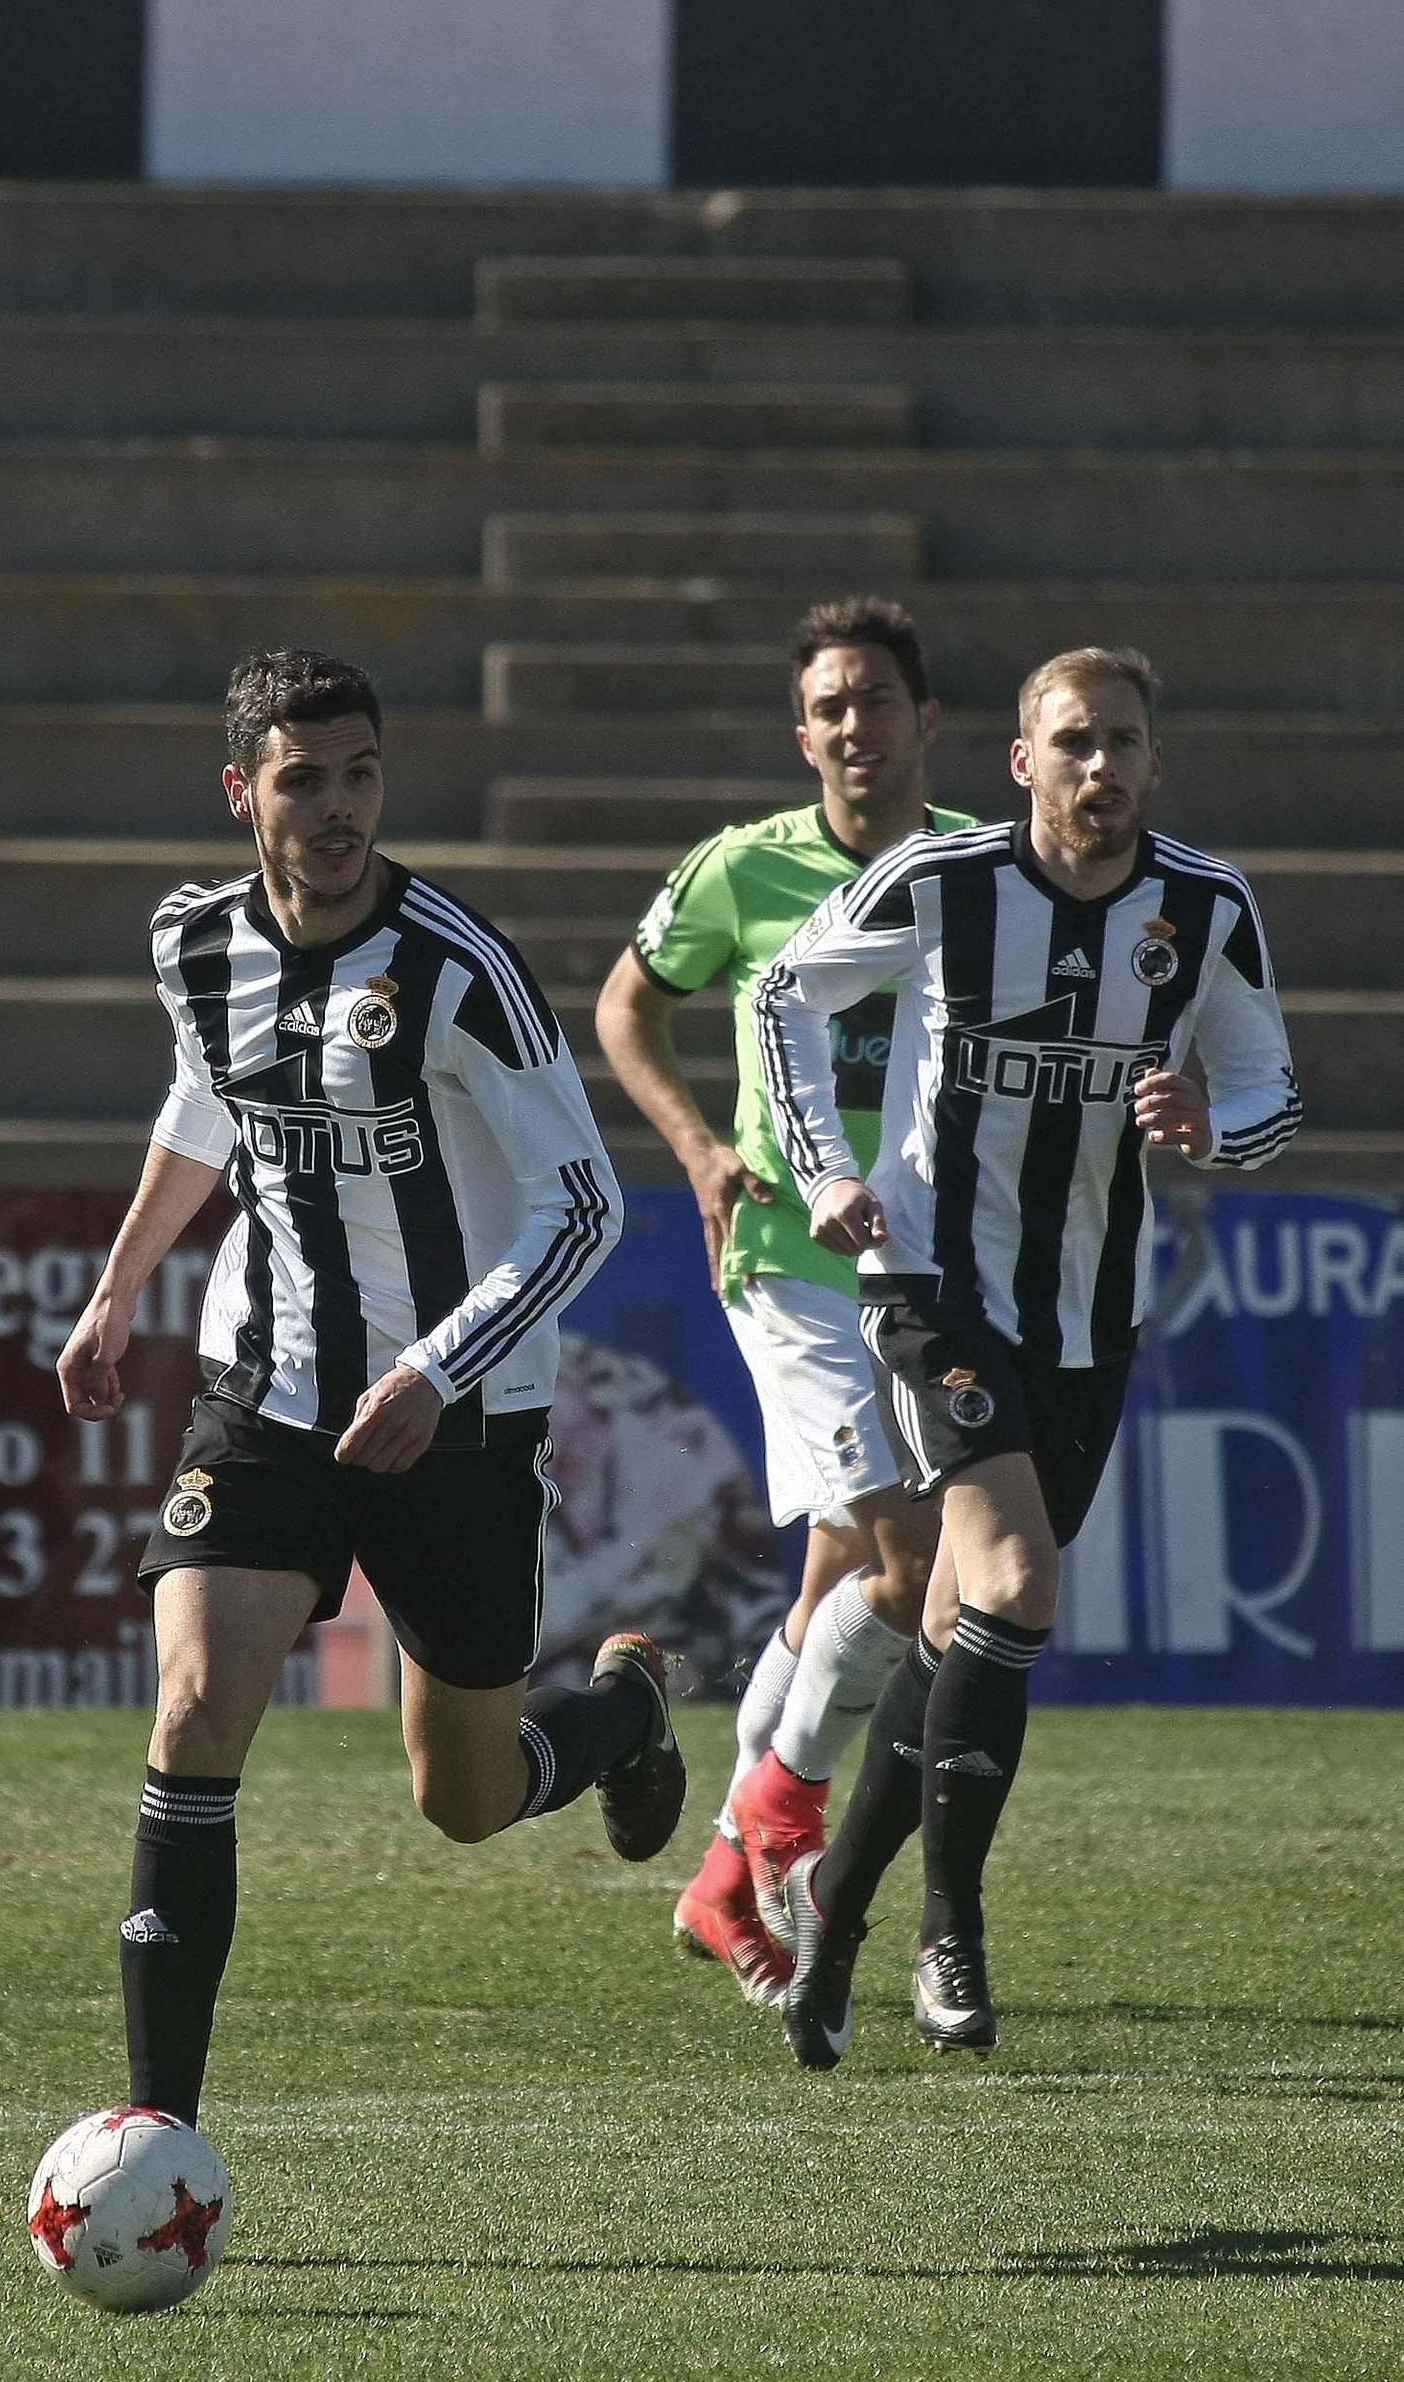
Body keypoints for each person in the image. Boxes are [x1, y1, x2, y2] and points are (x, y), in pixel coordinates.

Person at [56, 646, 684, 2129]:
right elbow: (207, 1095)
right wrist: (118, 1283)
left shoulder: (455, 966)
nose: (338, 809)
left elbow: (586, 1200)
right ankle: (163, 2139)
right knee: (198, 1705)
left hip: (454, 1423)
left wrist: (434, 1365)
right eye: (302, 780)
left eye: (360, 776)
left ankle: (621, 1713)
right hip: (264, 1392)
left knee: (464, 1800)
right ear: (242, 794)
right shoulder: (191, 944)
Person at [754, 645, 1301, 2070]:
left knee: (952, 1646)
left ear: (1155, 763)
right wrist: (822, 1174)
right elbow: (780, 998)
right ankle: (954, 1926)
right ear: (1021, 760)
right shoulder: (944, 887)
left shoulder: (1203, 903)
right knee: (1013, 1581)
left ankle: (837, 1916)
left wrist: (1209, 1119)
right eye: (1073, 743)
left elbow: (1269, 1088)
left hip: (1087, 1319)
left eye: (1123, 743)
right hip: (931, 1288)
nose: (1100, 768)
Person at [595, 597, 976, 2007]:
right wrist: (700, 1150)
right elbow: (627, 1004)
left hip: (926, 1265)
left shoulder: (973, 872)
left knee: (835, 1586)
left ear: (926, 723)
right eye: (829, 707)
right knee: (908, 1543)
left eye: (876, 701)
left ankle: (721, 1868)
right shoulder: (743, 870)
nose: (853, 727)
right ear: (801, 730)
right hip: (789, 1263)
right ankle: (779, 1833)